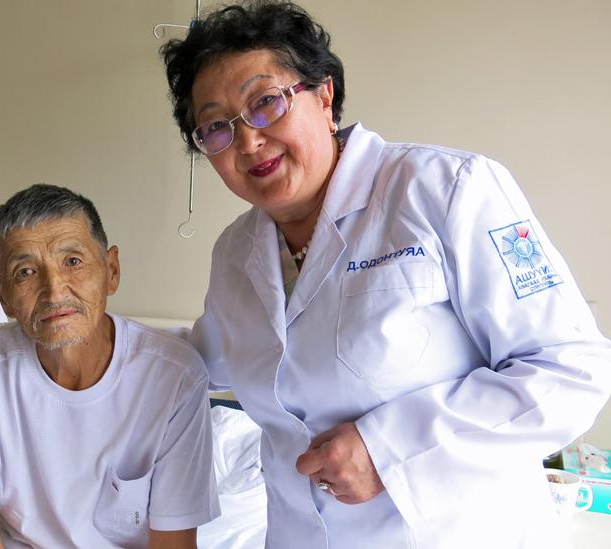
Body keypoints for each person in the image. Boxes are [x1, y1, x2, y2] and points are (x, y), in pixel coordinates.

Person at [159, 1, 611, 547]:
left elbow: (570, 369)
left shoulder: (446, 190)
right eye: (216, 128)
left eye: (266, 103)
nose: (248, 140)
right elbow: (199, 363)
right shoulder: (235, 253)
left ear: (324, 95)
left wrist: (387, 449)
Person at [0, 184, 219, 549]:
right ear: (2, 295)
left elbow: (172, 545)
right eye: (26, 272)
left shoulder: (174, 376)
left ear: (111, 270)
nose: (54, 291)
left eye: (73, 262)